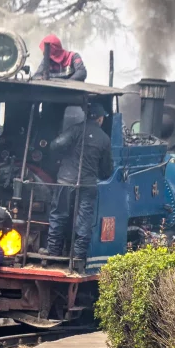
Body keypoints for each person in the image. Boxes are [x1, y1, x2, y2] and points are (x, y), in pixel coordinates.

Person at [42, 100, 112, 274]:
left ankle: (53, 252)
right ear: (100, 119)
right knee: (84, 220)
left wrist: (62, 158)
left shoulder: (75, 130)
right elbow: (107, 170)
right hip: (88, 184)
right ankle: (79, 257)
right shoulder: (104, 139)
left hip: (66, 181)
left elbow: (55, 145)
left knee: (58, 215)